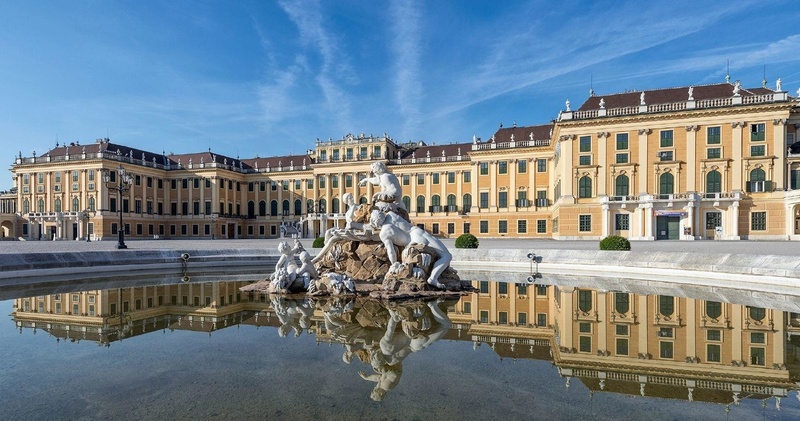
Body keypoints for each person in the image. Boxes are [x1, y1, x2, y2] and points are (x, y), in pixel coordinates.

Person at [371, 210, 451, 288]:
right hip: (417, 232)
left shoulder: (384, 233)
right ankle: (434, 277)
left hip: (413, 241)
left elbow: (391, 251)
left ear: (374, 222)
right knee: (446, 255)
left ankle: (433, 278)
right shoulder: (391, 215)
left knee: (447, 256)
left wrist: (394, 263)